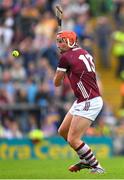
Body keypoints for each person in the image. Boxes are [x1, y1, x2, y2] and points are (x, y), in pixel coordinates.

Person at [53, 30, 105, 174]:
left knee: (73, 139)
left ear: (70, 41)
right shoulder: (84, 52)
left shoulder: (66, 58)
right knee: (63, 131)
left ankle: (96, 167)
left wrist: (61, 65)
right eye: (58, 41)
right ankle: (85, 159)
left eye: (61, 41)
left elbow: (57, 83)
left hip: (89, 100)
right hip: (83, 99)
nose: (59, 44)